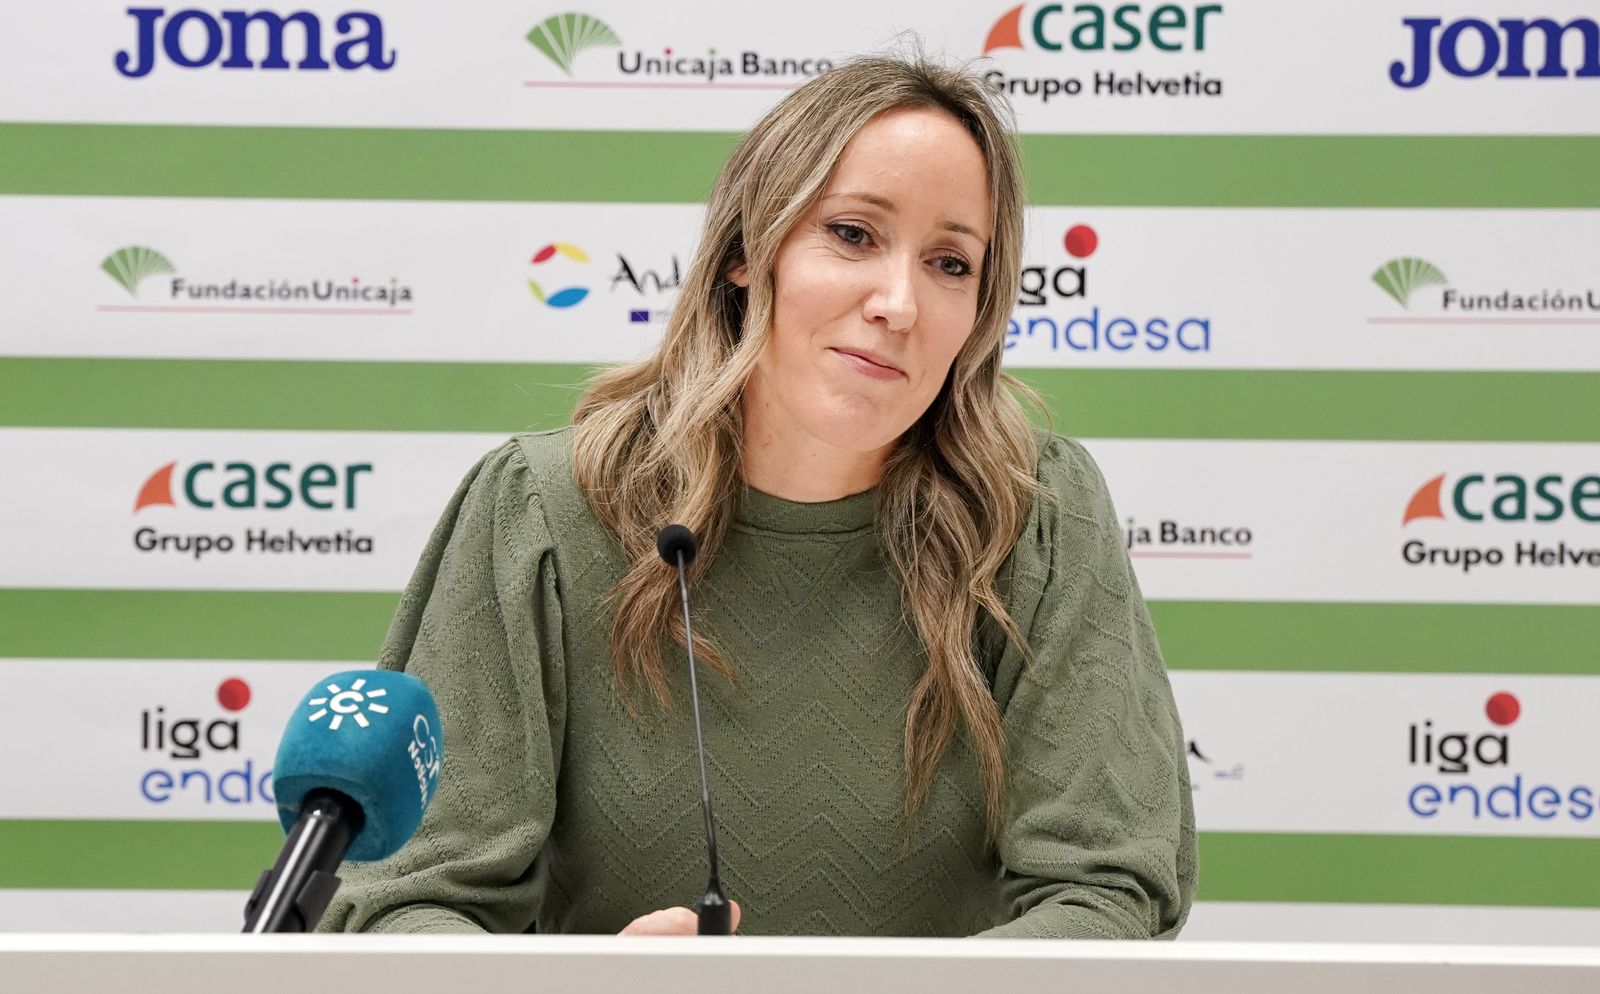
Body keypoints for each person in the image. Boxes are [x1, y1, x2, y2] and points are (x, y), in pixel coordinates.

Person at [318, 54, 1196, 938]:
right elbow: (407, 899)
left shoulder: (1036, 515)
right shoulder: (544, 508)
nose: (898, 302)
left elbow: (1107, 890)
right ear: (747, 252)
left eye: (950, 263)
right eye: (853, 234)